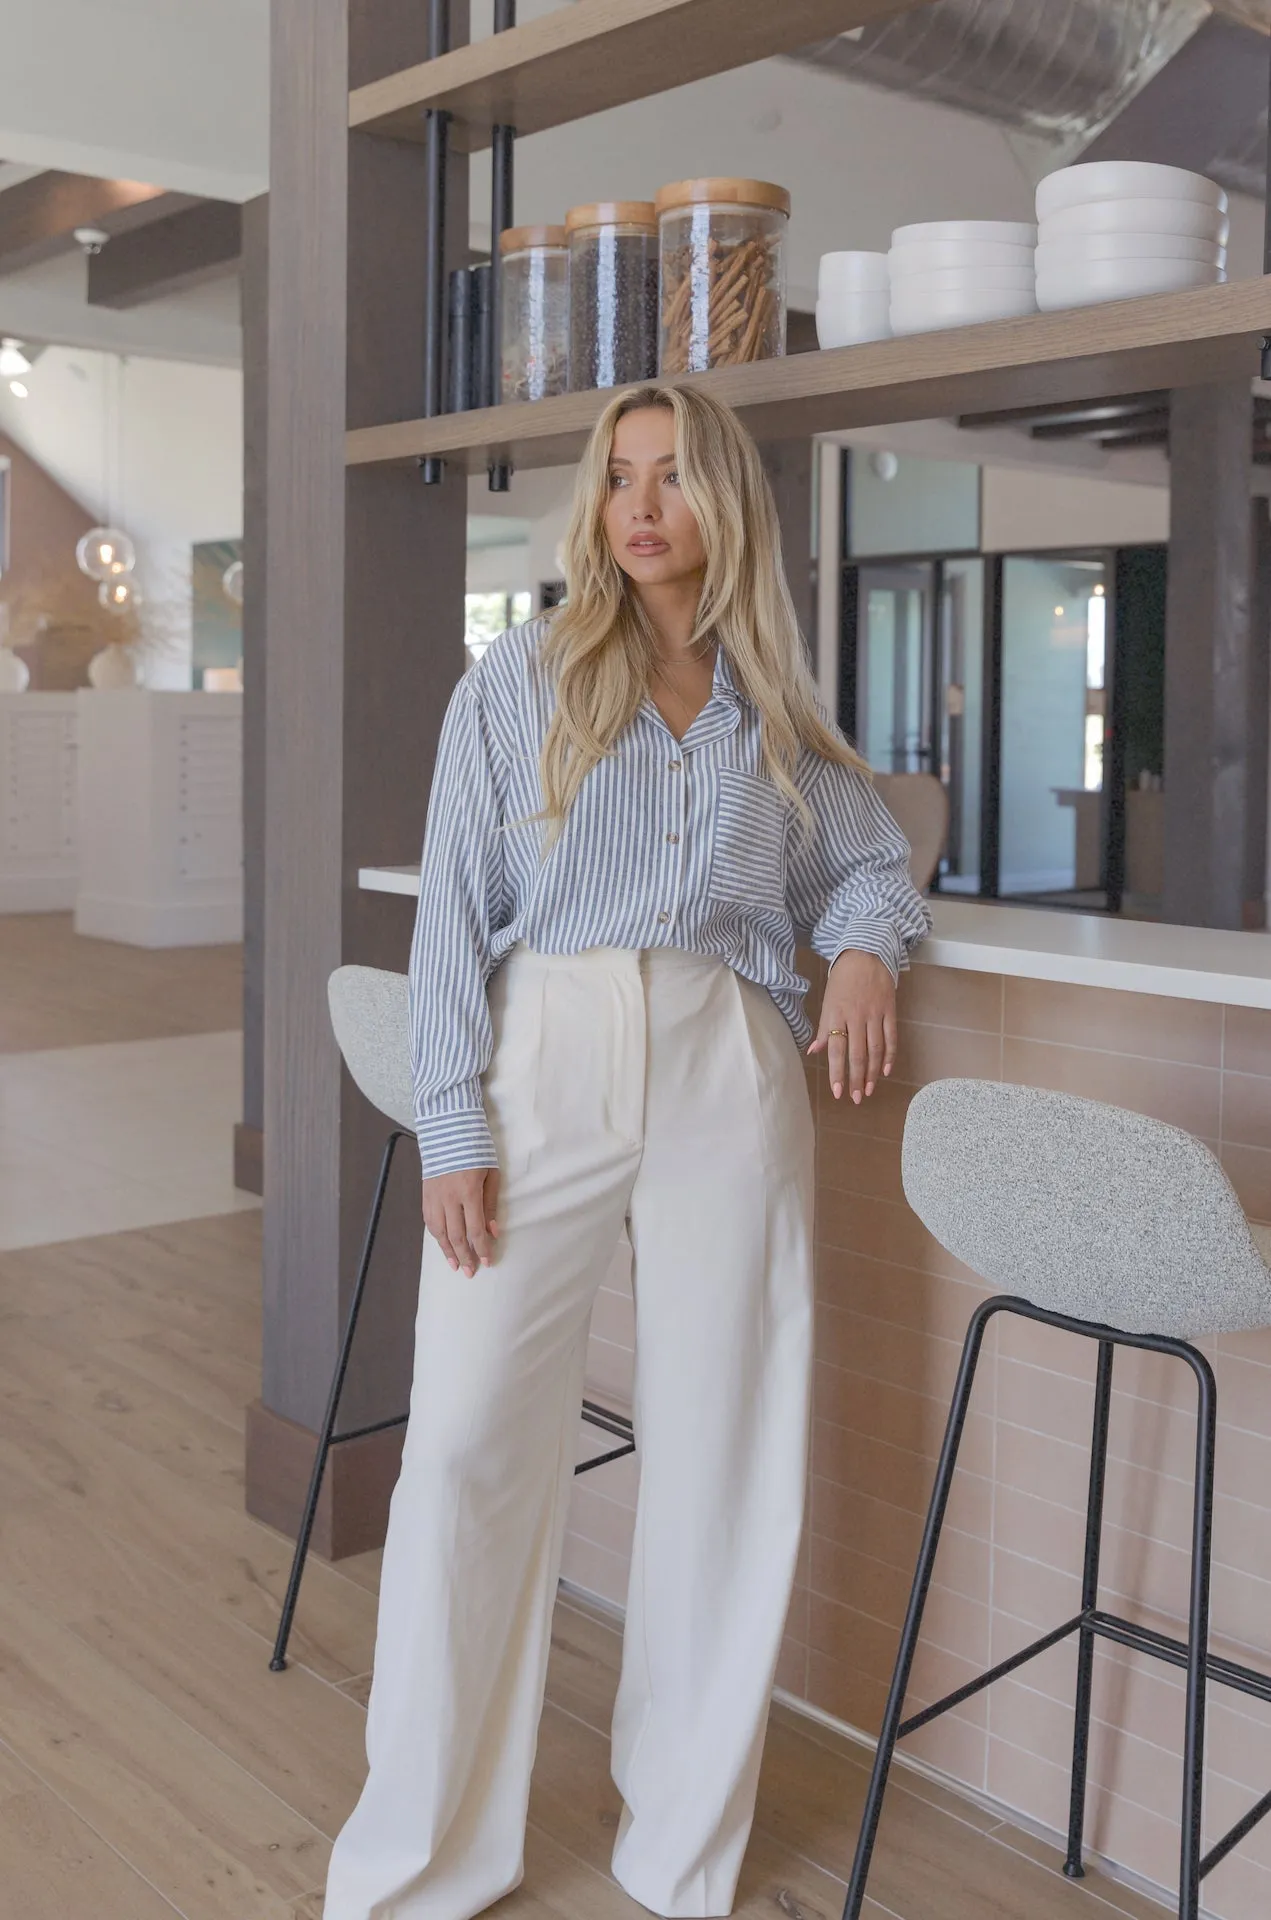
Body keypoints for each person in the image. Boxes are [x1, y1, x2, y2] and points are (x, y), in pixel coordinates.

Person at [322, 385, 932, 1920]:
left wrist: (861, 952)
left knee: (723, 1456)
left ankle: (681, 1860)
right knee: (464, 1444)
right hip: (548, 1055)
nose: (639, 506)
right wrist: (451, 1120)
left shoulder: (769, 713)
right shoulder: (516, 682)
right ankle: (420, 1863)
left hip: (728, 1057)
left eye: (669, 478)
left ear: (723, 503)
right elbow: (450, 914)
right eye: (616, 480)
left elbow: (867, 860)